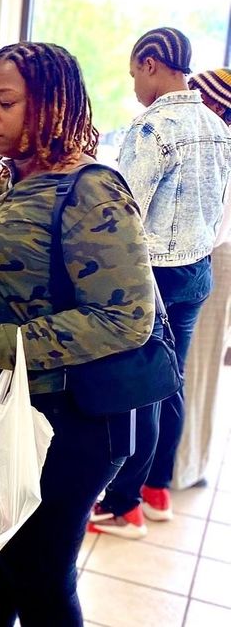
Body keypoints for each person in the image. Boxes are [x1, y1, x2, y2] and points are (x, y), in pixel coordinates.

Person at [0, 42, 154, 625]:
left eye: (6, 102)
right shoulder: (10, 183)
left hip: (61, 420)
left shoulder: (91, 190)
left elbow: (127, 318)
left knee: (40, 579)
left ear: (53, 104)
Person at [91, 29, 231, 538]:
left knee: (141, 390)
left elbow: (122, 214)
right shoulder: (217, 126)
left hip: (154, 274)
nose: (134, 88)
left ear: (151, 64)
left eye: (133, 75)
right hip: (198, 271)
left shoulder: (154, 128)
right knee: (169, 384)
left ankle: (124, 505)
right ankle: (156, 491)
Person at [174, 68, 231, 489]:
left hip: (214, 255)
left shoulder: (217, 147)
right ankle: (187, 465)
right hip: (212, 254)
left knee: (192, 368)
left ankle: (178, 469)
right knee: (196, 368)